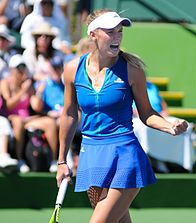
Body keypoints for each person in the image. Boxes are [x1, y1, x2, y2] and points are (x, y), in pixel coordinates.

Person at [56, 9, 188, 222]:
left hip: (125, 156)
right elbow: (70, 114)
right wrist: (62, 161)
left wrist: (169, 126)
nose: (117, 36)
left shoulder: (132, 70)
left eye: (119, 31)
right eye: (110, 31)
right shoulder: (72, 69)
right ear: (93, 35)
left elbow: (147, 113)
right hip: (92, 156)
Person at [0, 54, 58, 172]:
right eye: (18, 68)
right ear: (12, 69)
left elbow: (36, 107)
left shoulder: (27, 84)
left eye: (23, 68)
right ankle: (19, 159)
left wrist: (39, 92)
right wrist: (23, 91)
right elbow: (9, 105)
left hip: (27, 119)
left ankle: (54, 160)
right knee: (18, 121)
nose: (21, 71)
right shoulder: (5, 83)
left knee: (50, 122)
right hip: (11, 118)